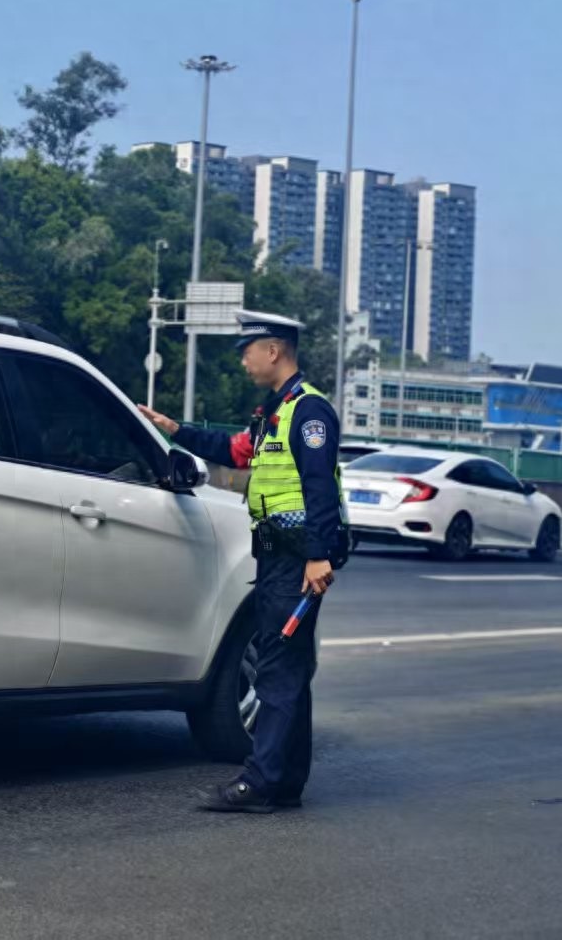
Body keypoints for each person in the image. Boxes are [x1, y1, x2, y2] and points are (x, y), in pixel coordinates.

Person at [137, 309, 347, 813]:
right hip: (279, 560)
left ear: (273, 350)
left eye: (247, 351)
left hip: (297, 562)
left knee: (276, 671)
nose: (244, 362)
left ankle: (260, 782)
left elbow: (319, 487)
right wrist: (175, 430)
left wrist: (317, 558)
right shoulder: (274, 412)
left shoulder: (309, 413)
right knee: (289, 669)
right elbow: (234, 451)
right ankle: (287, 780)